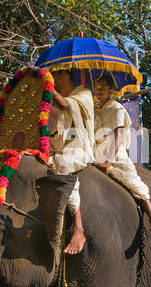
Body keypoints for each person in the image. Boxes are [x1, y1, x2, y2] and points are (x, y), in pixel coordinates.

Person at [93, 75, 151, 232]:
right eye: (96, 88)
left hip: (115, 153)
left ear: (111, 90)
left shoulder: (117, 109)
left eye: (102, 88)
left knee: (134, 181)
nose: (98, 91)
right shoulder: (94, 109)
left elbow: (118, 134)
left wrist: (109, 161)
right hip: (94, 152)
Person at [49, 69, 95, 255]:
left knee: (62, 166)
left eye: (57, 77)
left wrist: (47, 87)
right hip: (62, 148)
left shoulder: (84, 94)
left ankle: (78, 229)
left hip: (80, 149)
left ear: (66, 74)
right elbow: (55, 133)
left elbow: (65, 105)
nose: (56, 82)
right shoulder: (58, 99)